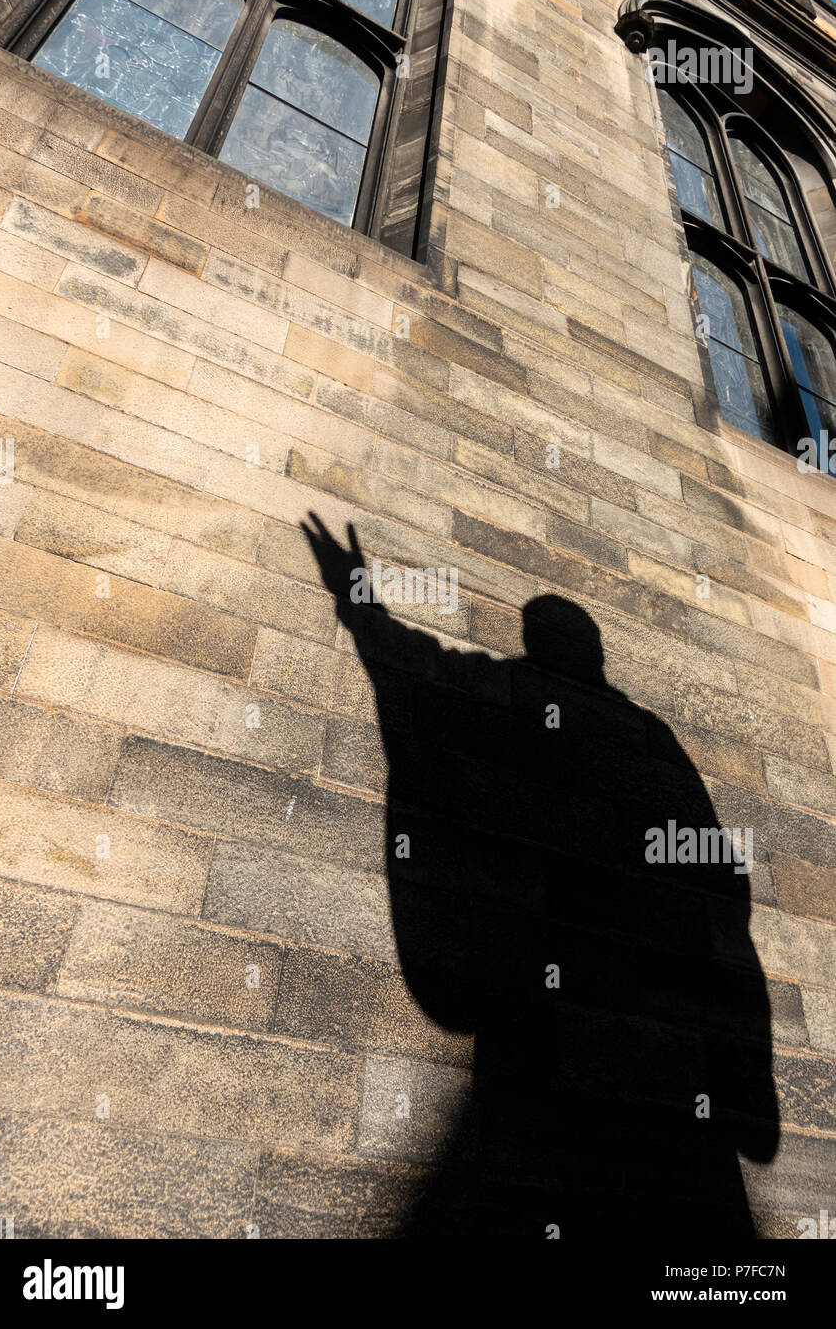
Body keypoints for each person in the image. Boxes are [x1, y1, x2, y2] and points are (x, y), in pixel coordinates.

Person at [302, 513, 779, 1238]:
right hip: (652, 1042)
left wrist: (358, 602)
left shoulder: (512, 696)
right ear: (592, 651)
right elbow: (719, 884)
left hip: (552, 1018)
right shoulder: (644, 735)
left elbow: (410, 663)